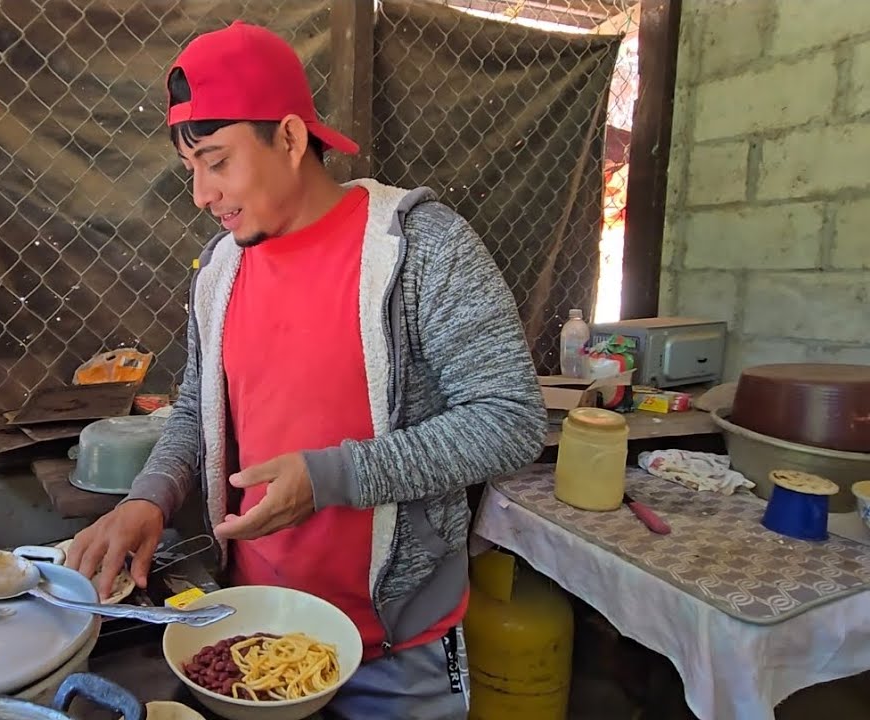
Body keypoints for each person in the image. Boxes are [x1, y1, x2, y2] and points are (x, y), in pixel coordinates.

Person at [66, 20, 547, 720]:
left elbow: (509, 422)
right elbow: (200, 408)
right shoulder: (220, 273)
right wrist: (149, 498)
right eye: (190, 167)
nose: (201, 192)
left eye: (217, 161)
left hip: (398, 642)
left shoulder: (420, 248)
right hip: (252, 627)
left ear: (290, 138)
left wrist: (330, 479)